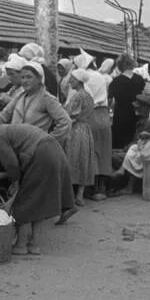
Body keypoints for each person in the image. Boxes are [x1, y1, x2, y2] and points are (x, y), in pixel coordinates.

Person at [0, 124, 75, 255]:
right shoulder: (7, 129)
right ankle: (35, 244)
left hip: (41, 154)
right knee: (39, 202)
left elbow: (12, 163)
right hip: (54, 151)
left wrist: (15, 182)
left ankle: (21, 245)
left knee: (26, 201)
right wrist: (5, 175)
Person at [0, 61, 71, 143]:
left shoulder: (46, 98)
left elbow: (65, 122)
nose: (25, 81)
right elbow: (3, 116)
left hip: (34, 148)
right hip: (15, 145)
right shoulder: (20, 96)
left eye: (29, 77)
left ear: (39, 79)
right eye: (22, 77)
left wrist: (47, 141)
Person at [63, 69, 97, 206]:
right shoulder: (89, 95)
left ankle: (69, 195)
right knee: (84, 161)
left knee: (71, 159)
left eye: (72, 78)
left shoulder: (78, 96)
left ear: (78, 80)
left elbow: (71, 115)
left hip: (76, 129)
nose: (69, 81)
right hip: (86, 130)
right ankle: (80, 195)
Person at [80, 66, 113, 200]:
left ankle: (92, 188)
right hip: (104, 117)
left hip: (90, 117)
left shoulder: (85, 86)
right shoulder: (100, 78)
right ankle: (102, 188)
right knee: (104, 153)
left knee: (91, 152)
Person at [108, 54, 145, 149]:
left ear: (119, 66)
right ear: (132, 64)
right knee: (134, 139)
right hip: (136, 113)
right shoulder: (140, 79)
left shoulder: (116, 81)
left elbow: (109, 100)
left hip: (121, 114)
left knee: (120, 141)